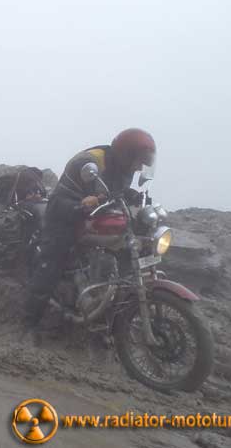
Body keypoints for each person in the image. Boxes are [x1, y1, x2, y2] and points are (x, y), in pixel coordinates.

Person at [25, 128, 157, 329]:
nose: (140, 167)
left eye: (143, 162)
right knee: (52, 261)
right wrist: (84, 205)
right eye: (138, 160)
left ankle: (107, 305)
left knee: (125, 246)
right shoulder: (89, 163)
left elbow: (111, 192)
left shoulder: (125, 169)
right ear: (126, 154)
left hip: (93, 212)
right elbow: (73, 195)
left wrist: (129, 195)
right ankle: (29, 322)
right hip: (65, 209)